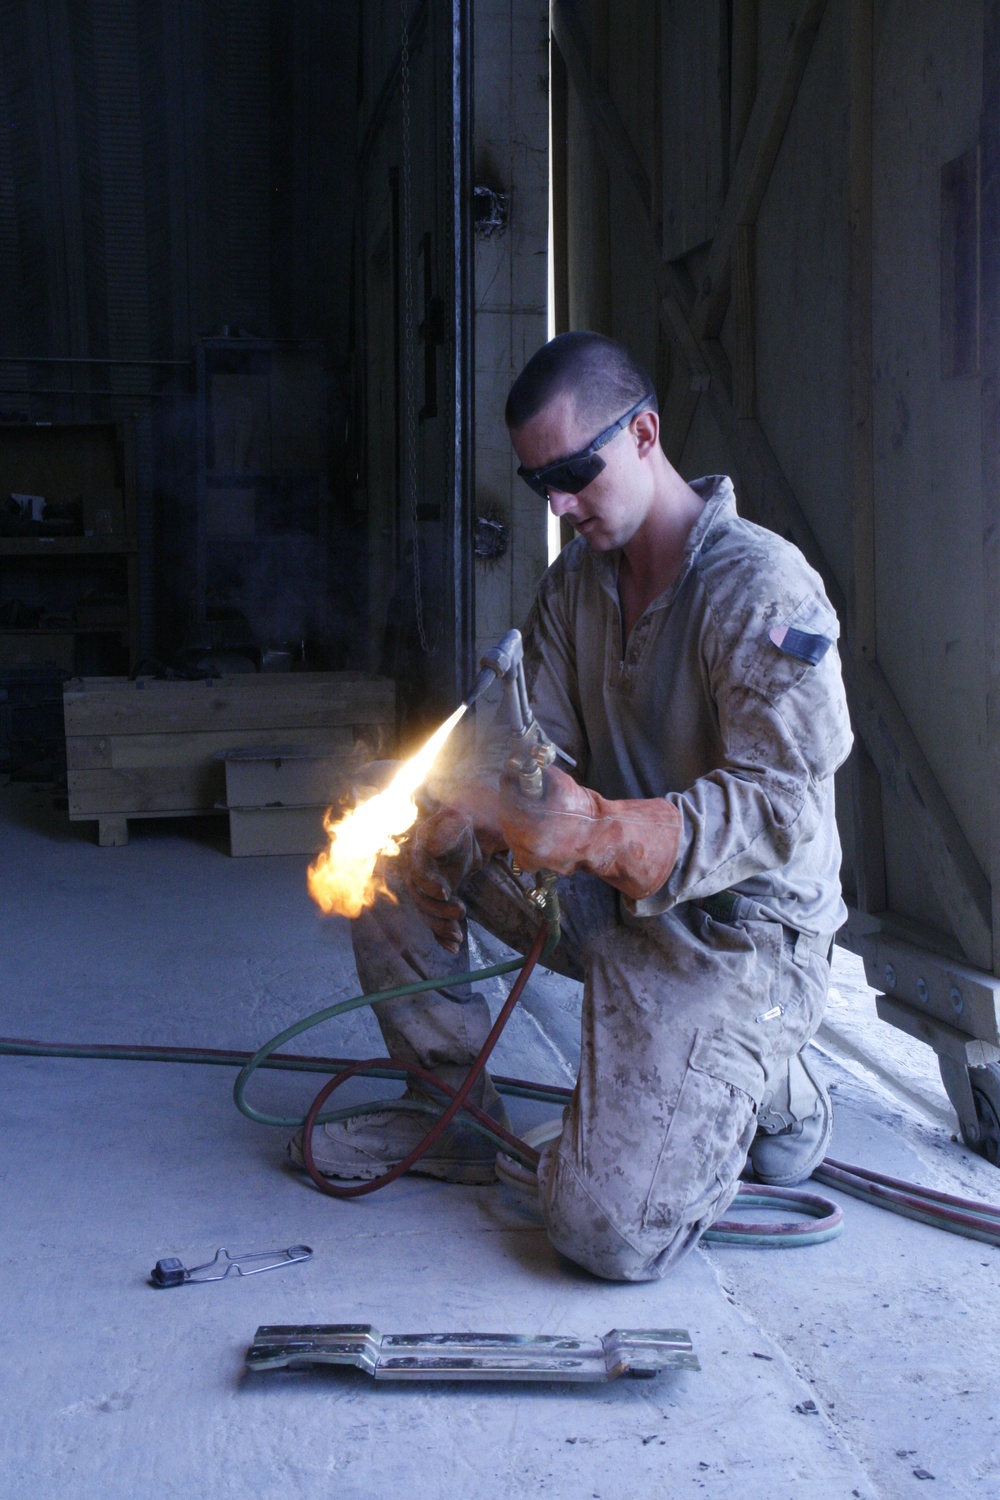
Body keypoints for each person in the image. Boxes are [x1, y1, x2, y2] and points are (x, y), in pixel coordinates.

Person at [288, 331, 853, 1282]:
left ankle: (773, 1082)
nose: (556, 504)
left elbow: (783, 807)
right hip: (607, 903)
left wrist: (600, 828)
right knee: (385, 831)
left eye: (573, 473)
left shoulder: (760, 586)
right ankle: (450, 1115)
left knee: (606, 1238)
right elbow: (527, 748)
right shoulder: (575, 585)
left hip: (733, 939)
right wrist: (459, 816)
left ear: (645, 435)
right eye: (538, 482)